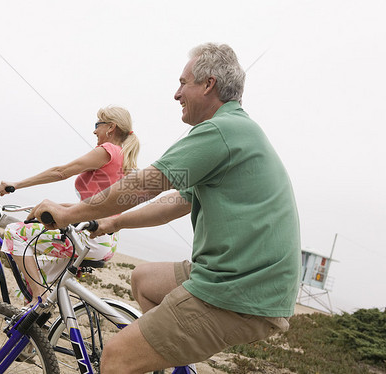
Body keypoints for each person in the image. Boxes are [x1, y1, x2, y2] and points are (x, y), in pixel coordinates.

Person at [28, 43, 301, 373]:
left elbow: (146, 184)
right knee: (144, 279)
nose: (176, 93)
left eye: (183, 82)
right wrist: (113, 223)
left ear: (208, 84)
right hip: (240, 277)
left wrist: (70, 214)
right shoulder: (236, 131)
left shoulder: (220, 131)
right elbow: (176, 202)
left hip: (237, 287)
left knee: (116, 358)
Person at [0, 105, 139, 304]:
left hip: (89, 236)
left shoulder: (107, 150)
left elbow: (61, 172)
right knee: (35, 279)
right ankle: (36, 318)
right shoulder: (122, 157)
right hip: (104, 239)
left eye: (97, 124)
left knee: (14, 233)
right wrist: (57, 207)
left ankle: (39, 298)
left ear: (111, 127)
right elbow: (95, 204)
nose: (94, 130)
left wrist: (17, 184)